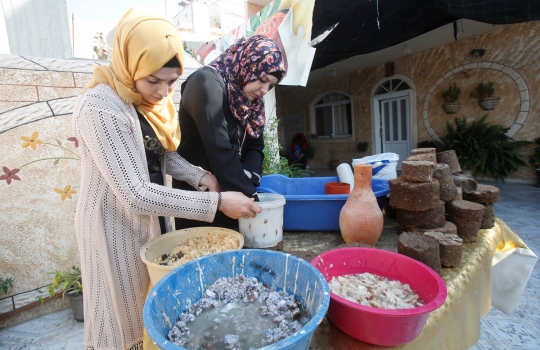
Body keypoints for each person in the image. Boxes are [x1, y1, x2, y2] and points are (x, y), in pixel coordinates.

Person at [72, 8, 261, 350]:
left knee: (153, 306)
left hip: (153, 218)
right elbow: (135, 193)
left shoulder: (144, 103)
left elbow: (162, 154)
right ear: (130, 64)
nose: (163, 91)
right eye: (153, 80)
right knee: (118, 313)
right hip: (113, 224)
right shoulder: (100, 105)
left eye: (172, 81)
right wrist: (217, 202)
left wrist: (203, 176)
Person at [173, 35, 287, 230]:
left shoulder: (250, 103)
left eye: (270, 85)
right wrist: (252, 198)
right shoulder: (206, 83)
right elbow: (220, 148)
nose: (264, 90)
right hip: (201, 196)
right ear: (248, 64)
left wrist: (248, 181)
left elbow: (256, 146)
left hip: (234, 194)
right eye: (262, 79)